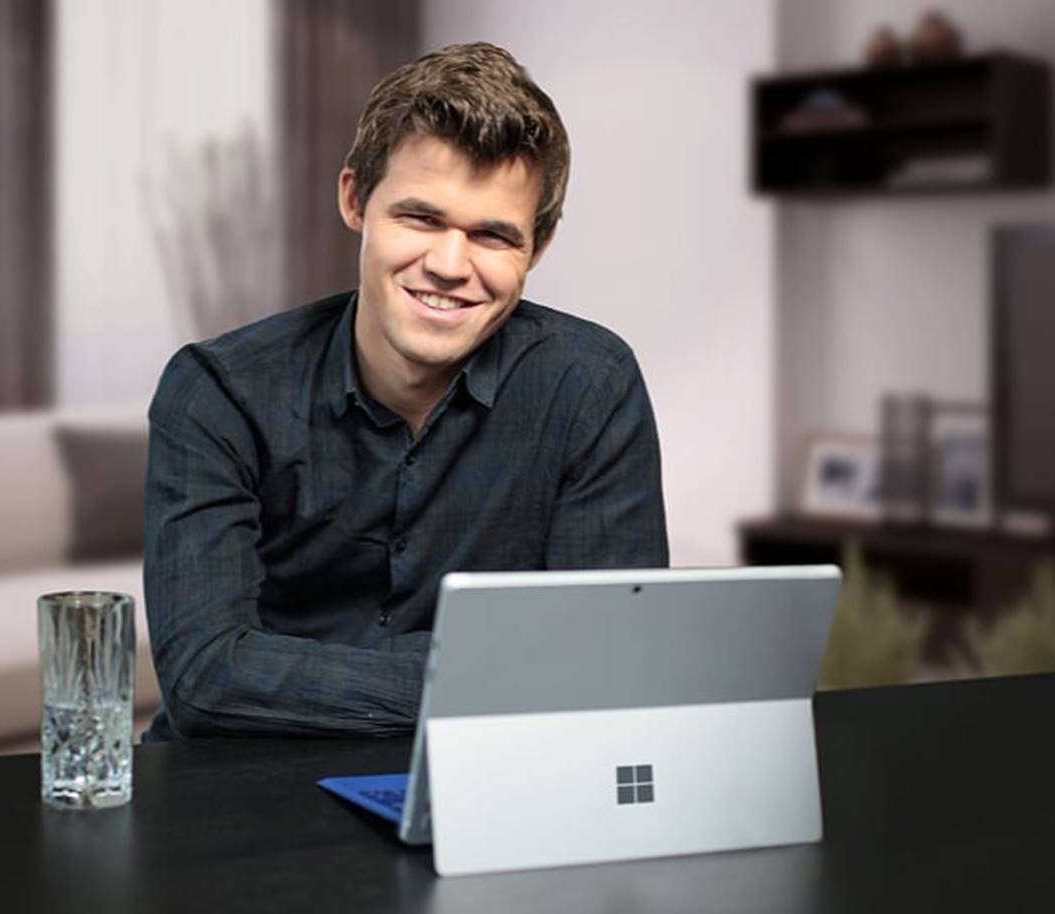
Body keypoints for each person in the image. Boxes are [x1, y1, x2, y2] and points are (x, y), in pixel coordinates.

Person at [142, 42, 667, 741]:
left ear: (535, 250)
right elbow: (206, 679)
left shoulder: (589, 386)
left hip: (486, 783)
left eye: (492, 236)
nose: (450, 266)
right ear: (355, 200)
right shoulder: (216, 392)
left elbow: (612, 660)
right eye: (421, 218)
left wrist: (293, 673)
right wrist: (489, 678)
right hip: (237, 794)